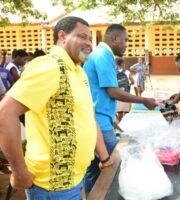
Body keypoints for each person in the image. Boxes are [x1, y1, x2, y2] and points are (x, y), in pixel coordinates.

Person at [0, 16, 113, 199]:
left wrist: (105, 157)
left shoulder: (79, 72)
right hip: (52, 186)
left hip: (75, 179)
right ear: (62, 37)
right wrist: (19, 172)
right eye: (82, 37)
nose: (89, 44)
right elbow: (5, 114)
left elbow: (88, 118)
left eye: (90, 39)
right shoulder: (50, 66)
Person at [83, 24, 157, 196]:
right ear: (115, 38)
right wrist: (143, 100)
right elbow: (112, 91)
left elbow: (100, 95)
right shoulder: (104, 55)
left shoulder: (100, 54)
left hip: (98, 120)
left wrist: (115, 122)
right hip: (99, 124)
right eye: (125, 40)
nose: (126, 45)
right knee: (117, 167)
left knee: (94, 171)